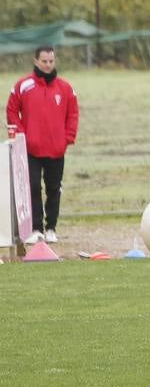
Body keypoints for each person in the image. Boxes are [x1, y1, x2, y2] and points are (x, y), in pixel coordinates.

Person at [7, 45, 78, 245]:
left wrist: (67, 139)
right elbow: (12, 110)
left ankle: (51, 228)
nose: (48, 65)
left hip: (56, 149)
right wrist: (20, 137)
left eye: (51, 61)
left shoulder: (65, 89)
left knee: (54, 188)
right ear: (36, 61)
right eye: (44, 61)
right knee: (32, 187)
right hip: (30, 149)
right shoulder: (23, 85)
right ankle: (36, 228)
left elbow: (73, 114)